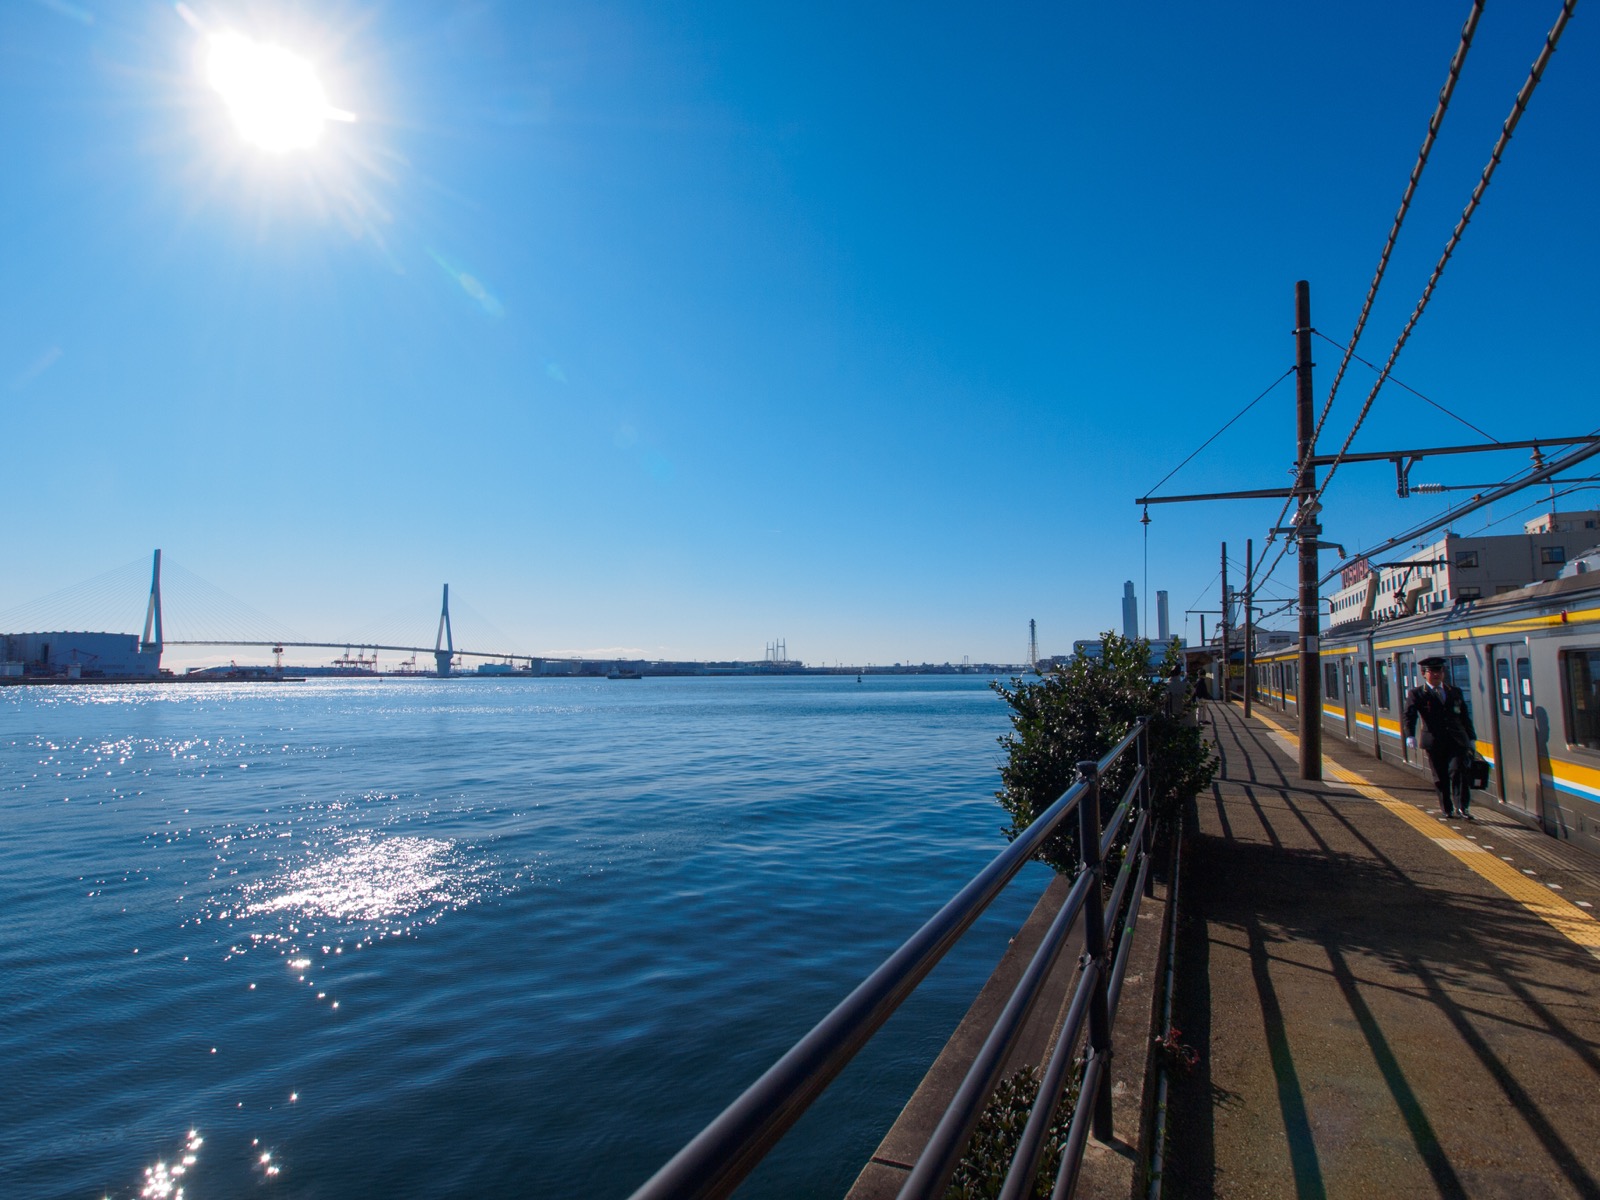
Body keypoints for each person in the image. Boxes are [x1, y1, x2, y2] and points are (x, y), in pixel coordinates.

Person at [1403, 656, 1478, 819]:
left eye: (1439, 671)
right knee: (1440, 776)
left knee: (1458, 771)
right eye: (1432, 671)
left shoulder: (1454, 692)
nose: (1436, 674)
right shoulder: (1417, 694)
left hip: (1457, 741)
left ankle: (1462, 808)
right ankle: (1446, 808)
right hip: (1434, 742)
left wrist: (1471, 738)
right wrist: (1410, 735)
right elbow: (1409, 716)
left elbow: (1465, 716)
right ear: (1424, 674)